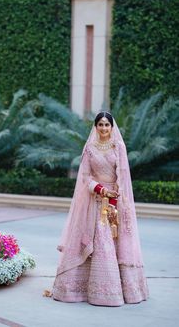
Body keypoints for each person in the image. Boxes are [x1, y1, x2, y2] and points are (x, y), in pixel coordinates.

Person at [52, 111, 149, 306]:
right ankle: (81, 290)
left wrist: (115, 199)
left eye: (107, 125)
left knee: (111, 242)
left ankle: (118, 291)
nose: (104, 128)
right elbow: (84, 177)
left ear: (112, 127)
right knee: (95, 241)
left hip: (114, 202)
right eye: (100, 125)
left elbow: (123, 176)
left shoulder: (118, 147)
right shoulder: (89, 148)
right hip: (94, 201)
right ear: (95, 127)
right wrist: (100, 189)